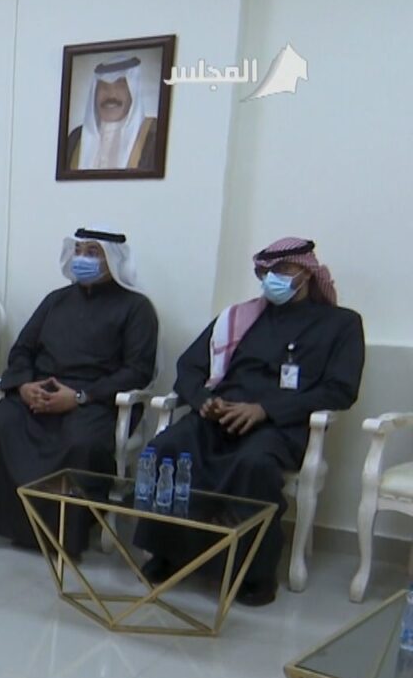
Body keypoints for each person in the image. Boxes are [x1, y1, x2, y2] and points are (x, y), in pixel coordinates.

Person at [139, 237, 364, 607]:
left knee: (253, 465)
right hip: (218, 416)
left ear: (307, 273)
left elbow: (340, 390)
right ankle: (168, 553)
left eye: (283, 269)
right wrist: (204, 401)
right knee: (166, 448)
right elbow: (189, 367)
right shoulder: (238, 318)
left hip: (279, 425)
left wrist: (265, 410)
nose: (273, 277)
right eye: (267, 271)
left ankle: (251, 574)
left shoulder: (342, 324)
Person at [0, 226, 158, 557]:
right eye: (79, 251)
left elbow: (137, 370)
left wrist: (80, 396)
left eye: (93, 252)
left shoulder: (137, 307)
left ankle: (65, 532)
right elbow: (22, 349)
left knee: (81, 444)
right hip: (39, 392)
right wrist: (24, 386)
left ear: (113, 260)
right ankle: (13, 523)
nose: (82, 258)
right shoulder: (56, 300)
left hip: (94, 401)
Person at [65, 56, 159, 172]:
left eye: (120, 86)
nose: (111, 95)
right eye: (103, 87)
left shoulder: (153, 134)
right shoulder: (76, 138)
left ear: (133, 91)